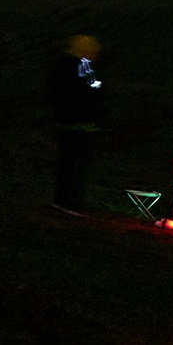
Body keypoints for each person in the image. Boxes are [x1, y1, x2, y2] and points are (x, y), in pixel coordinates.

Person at [50, 34, 107, 214]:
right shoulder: (83, 66)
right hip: (83, 124)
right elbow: (90, 90)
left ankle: (61, 200)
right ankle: (73, 203)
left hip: (65, 122)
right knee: (78, 166)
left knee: (66, 163)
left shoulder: (60, 65)